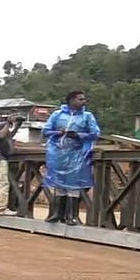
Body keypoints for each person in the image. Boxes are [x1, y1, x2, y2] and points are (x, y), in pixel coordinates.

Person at [41, 91, 101, 225]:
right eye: (80, 99)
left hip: (77, 154)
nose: (83, 101)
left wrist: (78, 135)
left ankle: (72, 216)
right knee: (59, 184)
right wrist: (59, 133)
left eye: (84, 99)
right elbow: (45, 131)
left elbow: (95, 133)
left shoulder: (87, 116)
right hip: (58, 154)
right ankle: (56, 214)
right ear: (71, 100)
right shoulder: (57, 114)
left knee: (74, 184)